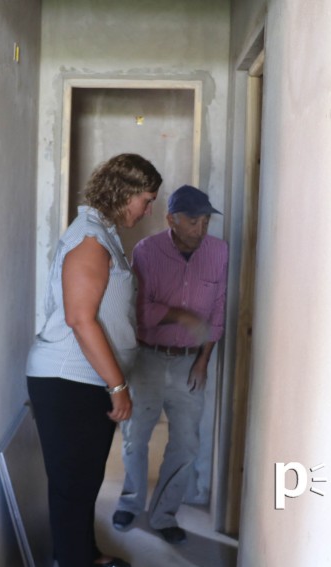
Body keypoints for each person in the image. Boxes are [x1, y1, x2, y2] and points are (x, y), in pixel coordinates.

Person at [26, 153, 163, 567]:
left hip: (86, 382)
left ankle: (86, 555)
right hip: (71, 382)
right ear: (125, 194)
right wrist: (118, 386)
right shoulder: (90, 239)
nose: (148, 209)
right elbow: (80, 320)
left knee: (83, 483)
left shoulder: (103, 234)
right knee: (73, 487)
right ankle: (72, 559)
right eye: (147, 199)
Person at [111, 184, 228, 545]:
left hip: (189, 363)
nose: (201, 228)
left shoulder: (218, 252)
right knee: (135, 438)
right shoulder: (147, 251)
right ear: (171, 219)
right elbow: (140, 312)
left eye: (206, 221)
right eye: (193, 220)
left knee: (186, 444)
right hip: (146, 358)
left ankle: (163, 514)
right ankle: (131, 503)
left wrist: (203, 362)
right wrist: (179, 314)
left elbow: (218, 313)